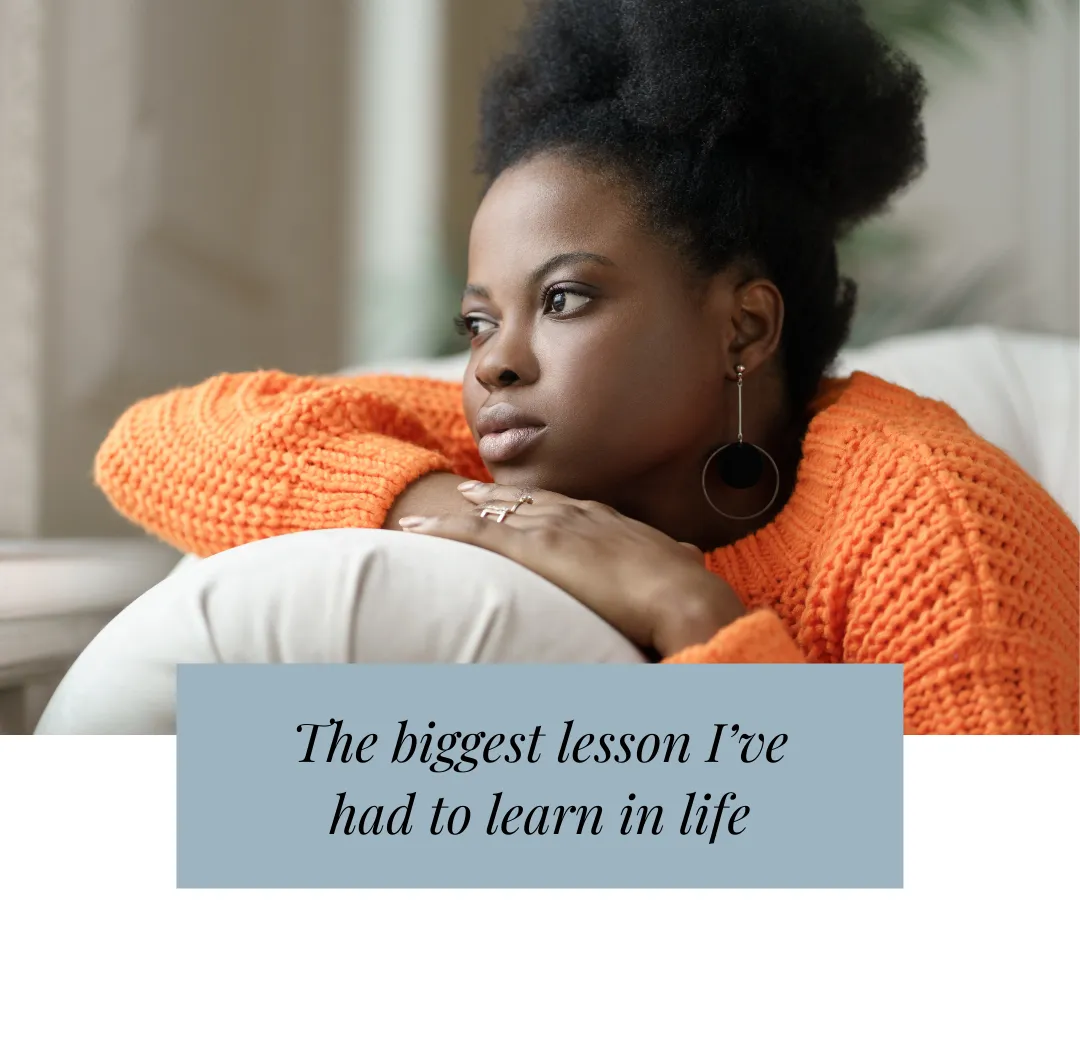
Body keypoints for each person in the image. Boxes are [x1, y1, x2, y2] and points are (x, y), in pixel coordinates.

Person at [93, 0, 1078, 733]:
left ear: (743, 328)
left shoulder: (938, 531)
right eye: (477, 321)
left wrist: (689, 609)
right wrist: (486, 516)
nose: (495, 366)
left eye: (564, 299)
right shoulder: (525, 461)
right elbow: (162, 439)